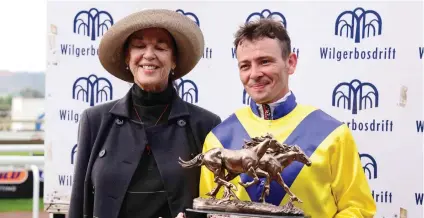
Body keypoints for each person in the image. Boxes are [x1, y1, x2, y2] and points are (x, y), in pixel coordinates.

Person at [198, 18, 377, 218]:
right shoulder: (218, 137)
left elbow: (358, 209)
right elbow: (208, 208)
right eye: (245, 65)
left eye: (265, 61)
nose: (255, 73)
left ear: (290, 63)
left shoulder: (333, 134)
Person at [68, 9, 221, 218]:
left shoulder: (206, 124)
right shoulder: (94, 120)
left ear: (174, 60)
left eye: (161, 47)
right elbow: (79, 203)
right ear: (127, 58)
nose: (149, 54)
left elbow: (215, 206)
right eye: (139, 46)